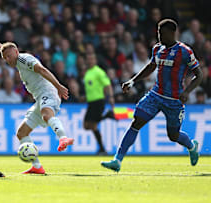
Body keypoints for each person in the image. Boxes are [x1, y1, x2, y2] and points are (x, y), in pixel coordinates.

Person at [101, 19, 202, 172]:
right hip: (155, 95)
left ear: (172, 33)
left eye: (162, 33)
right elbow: (151, 66)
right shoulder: (157, 49)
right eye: (158, 32)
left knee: (173, 136)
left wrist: (187, 92)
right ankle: (117, 160)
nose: (159, 35)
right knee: (136, 122)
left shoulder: (185, 51)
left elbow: (199, 75)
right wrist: (132, 81)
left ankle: (191, 146)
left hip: (174, 100)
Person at [0, 42, 74, 174]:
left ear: (16, 52)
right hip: (40, 98)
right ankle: (37, 167)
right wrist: (4, 49)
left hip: (48, 92)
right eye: (5, 58)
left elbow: (42, 70)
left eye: (9, 56)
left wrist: (58, 86)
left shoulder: (23, 59)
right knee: (21, 133)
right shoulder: (19, 64)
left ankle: (63, 138)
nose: (8, 60)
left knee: (46, 114)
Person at [83, 53, 115, 155]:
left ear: (95, 60)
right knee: (88, 126)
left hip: (98, 101)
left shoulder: (99, 72)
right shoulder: (88, 72)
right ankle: (107, 116)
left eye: (92, 59)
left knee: (91, 125)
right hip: (91, 102)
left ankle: (102, 149)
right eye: (88, 59)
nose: (90, 61)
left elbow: (107, 84)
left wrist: (110, 97)